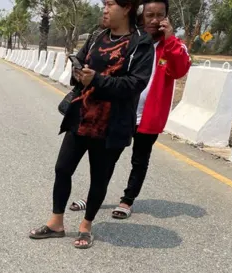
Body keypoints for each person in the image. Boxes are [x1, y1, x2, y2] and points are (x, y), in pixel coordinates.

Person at [29, 0, 154, 249]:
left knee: (99, 177)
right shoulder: (98, 35)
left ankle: (86, 225)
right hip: (82, 116)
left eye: (110, 5)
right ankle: (56, 222)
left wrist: (97, 79)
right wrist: (77, 69)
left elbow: (135, 84)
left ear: (127, 8)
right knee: (62, 169)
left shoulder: (141, 42)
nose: (105, 10)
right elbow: (82, 58)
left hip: (111, 124)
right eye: (104, 5)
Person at [69, 0, 191, 219]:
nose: (154, 20)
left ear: (166, 17)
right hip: (120, 111)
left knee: (140, 159)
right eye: (150, 14)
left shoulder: (172, 45)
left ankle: (127, 200)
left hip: (149, 116)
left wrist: (170, 39)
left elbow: (181, 69)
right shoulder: (133, 40)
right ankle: (92, 196)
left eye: (160, 15)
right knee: (106, 158)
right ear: (141, 15)